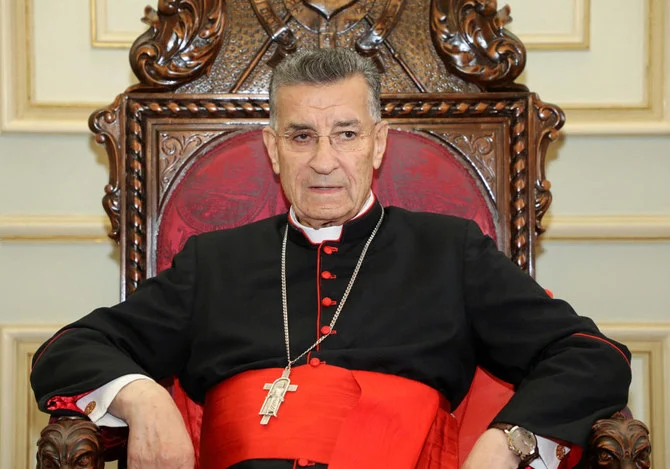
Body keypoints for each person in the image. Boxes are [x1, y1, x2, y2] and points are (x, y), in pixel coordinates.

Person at [31, 48, 631, 469]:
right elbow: (66, 353)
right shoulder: (212, 262)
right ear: (272, 148)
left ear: (378, 143)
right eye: (300, 136)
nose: (323, 160)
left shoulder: (451, 252)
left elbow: (591, 358)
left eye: (345, 133)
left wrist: (511, 440)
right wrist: (144, 397)